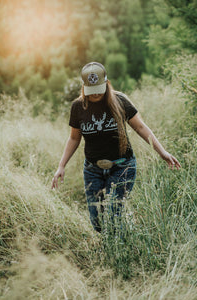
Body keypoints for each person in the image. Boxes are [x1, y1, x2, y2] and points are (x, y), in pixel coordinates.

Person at [51, 62, 181, 233]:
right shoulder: (78, 106)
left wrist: (162, 152)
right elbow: (74, 138)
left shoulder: (119, 101)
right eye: (91, 89)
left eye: (99, 87)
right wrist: (61, 166)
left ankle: (118, 245)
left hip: (122, 166)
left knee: (112, 217)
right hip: (93, 170)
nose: (96, 93)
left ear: (107, 83)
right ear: (84, 87)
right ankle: (124, 227)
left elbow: (141, 127)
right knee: (97, 221)